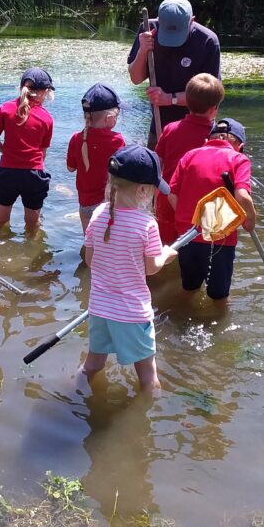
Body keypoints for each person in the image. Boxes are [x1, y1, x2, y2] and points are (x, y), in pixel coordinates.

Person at [81, 144, 179, 393]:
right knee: (147, 375)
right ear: (144, 190)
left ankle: (75, 394)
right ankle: (150, 419)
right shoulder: (147, 224)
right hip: (132, 313)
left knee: (92, 364)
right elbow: (151, 269)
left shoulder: (98, 214)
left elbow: (90, 260)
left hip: (99, 309)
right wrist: (165, 256)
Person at [168, 118, 256, 303]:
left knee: (189, 289)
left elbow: (172, 194)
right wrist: (250, 221)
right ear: (239, 145)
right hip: (220, 239)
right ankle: (218, 327)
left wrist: (190, 220)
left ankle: (181, 322)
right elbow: (242, 196)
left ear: (208, 140)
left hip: (187, 236)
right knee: (219, 298)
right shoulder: (239, 159)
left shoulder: (189, 155)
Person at [127, 0, 221, 148]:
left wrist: (170, 99)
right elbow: (136, 78)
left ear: (192, 21)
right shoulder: (147, 30)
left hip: (197, 129)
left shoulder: (207, 41)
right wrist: (143, 51)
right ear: (159, 20)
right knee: (156, 169)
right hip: (159, 125)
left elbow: (210, 98)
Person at [154, 73, 225, 243]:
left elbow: (156, 165)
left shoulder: (170, 129)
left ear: (188, 103)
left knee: (166, 251)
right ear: (214, 109)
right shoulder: (215, 138)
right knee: (195, 251)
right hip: (195, 206)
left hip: (166, 199)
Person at [0, 68, 54, 231]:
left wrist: (9, 152)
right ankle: (31, 253)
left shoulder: (5, 109)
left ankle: (1, 254)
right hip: (33, 175)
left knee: (1, 223)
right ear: (45, 92)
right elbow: (42, 154)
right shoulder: (47, 118)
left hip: (7, 173)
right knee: (33, 225)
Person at [66, 83, 126, 233]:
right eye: (117, 116)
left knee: (90, 244)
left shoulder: (76, 138)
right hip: (107, 204)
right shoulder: (117, 140)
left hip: (85, 205)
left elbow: (70, 167)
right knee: (108, 245)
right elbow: (124, 172)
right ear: (108, 118)